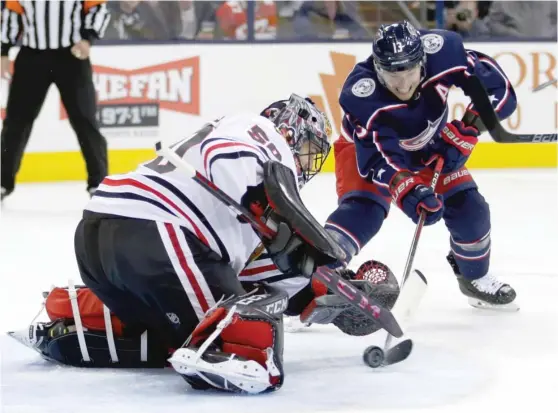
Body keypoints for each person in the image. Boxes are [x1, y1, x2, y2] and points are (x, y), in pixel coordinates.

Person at [8, 94, 401, 394]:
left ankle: (81, 316)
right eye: (307, 149)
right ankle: (222, 345)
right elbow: (227, 155)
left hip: (101, 240)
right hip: (157, 234)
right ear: (291, 131)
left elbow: (250, 273)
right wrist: (301, 229)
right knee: (250, 340)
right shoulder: (257, 134)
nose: (305, 162)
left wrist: (326, 292)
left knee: (172, 338)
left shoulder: (232, 186)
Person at [324, 21, 518, 310]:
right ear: (378, 69)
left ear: (422, 62)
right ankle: (308, 282)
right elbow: (378, 158)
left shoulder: (443, 53)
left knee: (470, 210)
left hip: (428, 145)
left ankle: (474, 278)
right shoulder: (361, 96)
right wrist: (408, 189)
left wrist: (468, 129)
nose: (402, 85)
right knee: (363, 212)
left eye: (409, 73)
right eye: (392, 75)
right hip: (365, 151)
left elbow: (498, 89)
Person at [0, 0, 110, 201]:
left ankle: (99, 182)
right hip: (32, 56)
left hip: (72, 55)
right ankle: (2, 181)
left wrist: (87, 38)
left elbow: (98, 7)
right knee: (16, 121)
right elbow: (12, 13)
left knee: (85, 119)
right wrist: (4, 51)